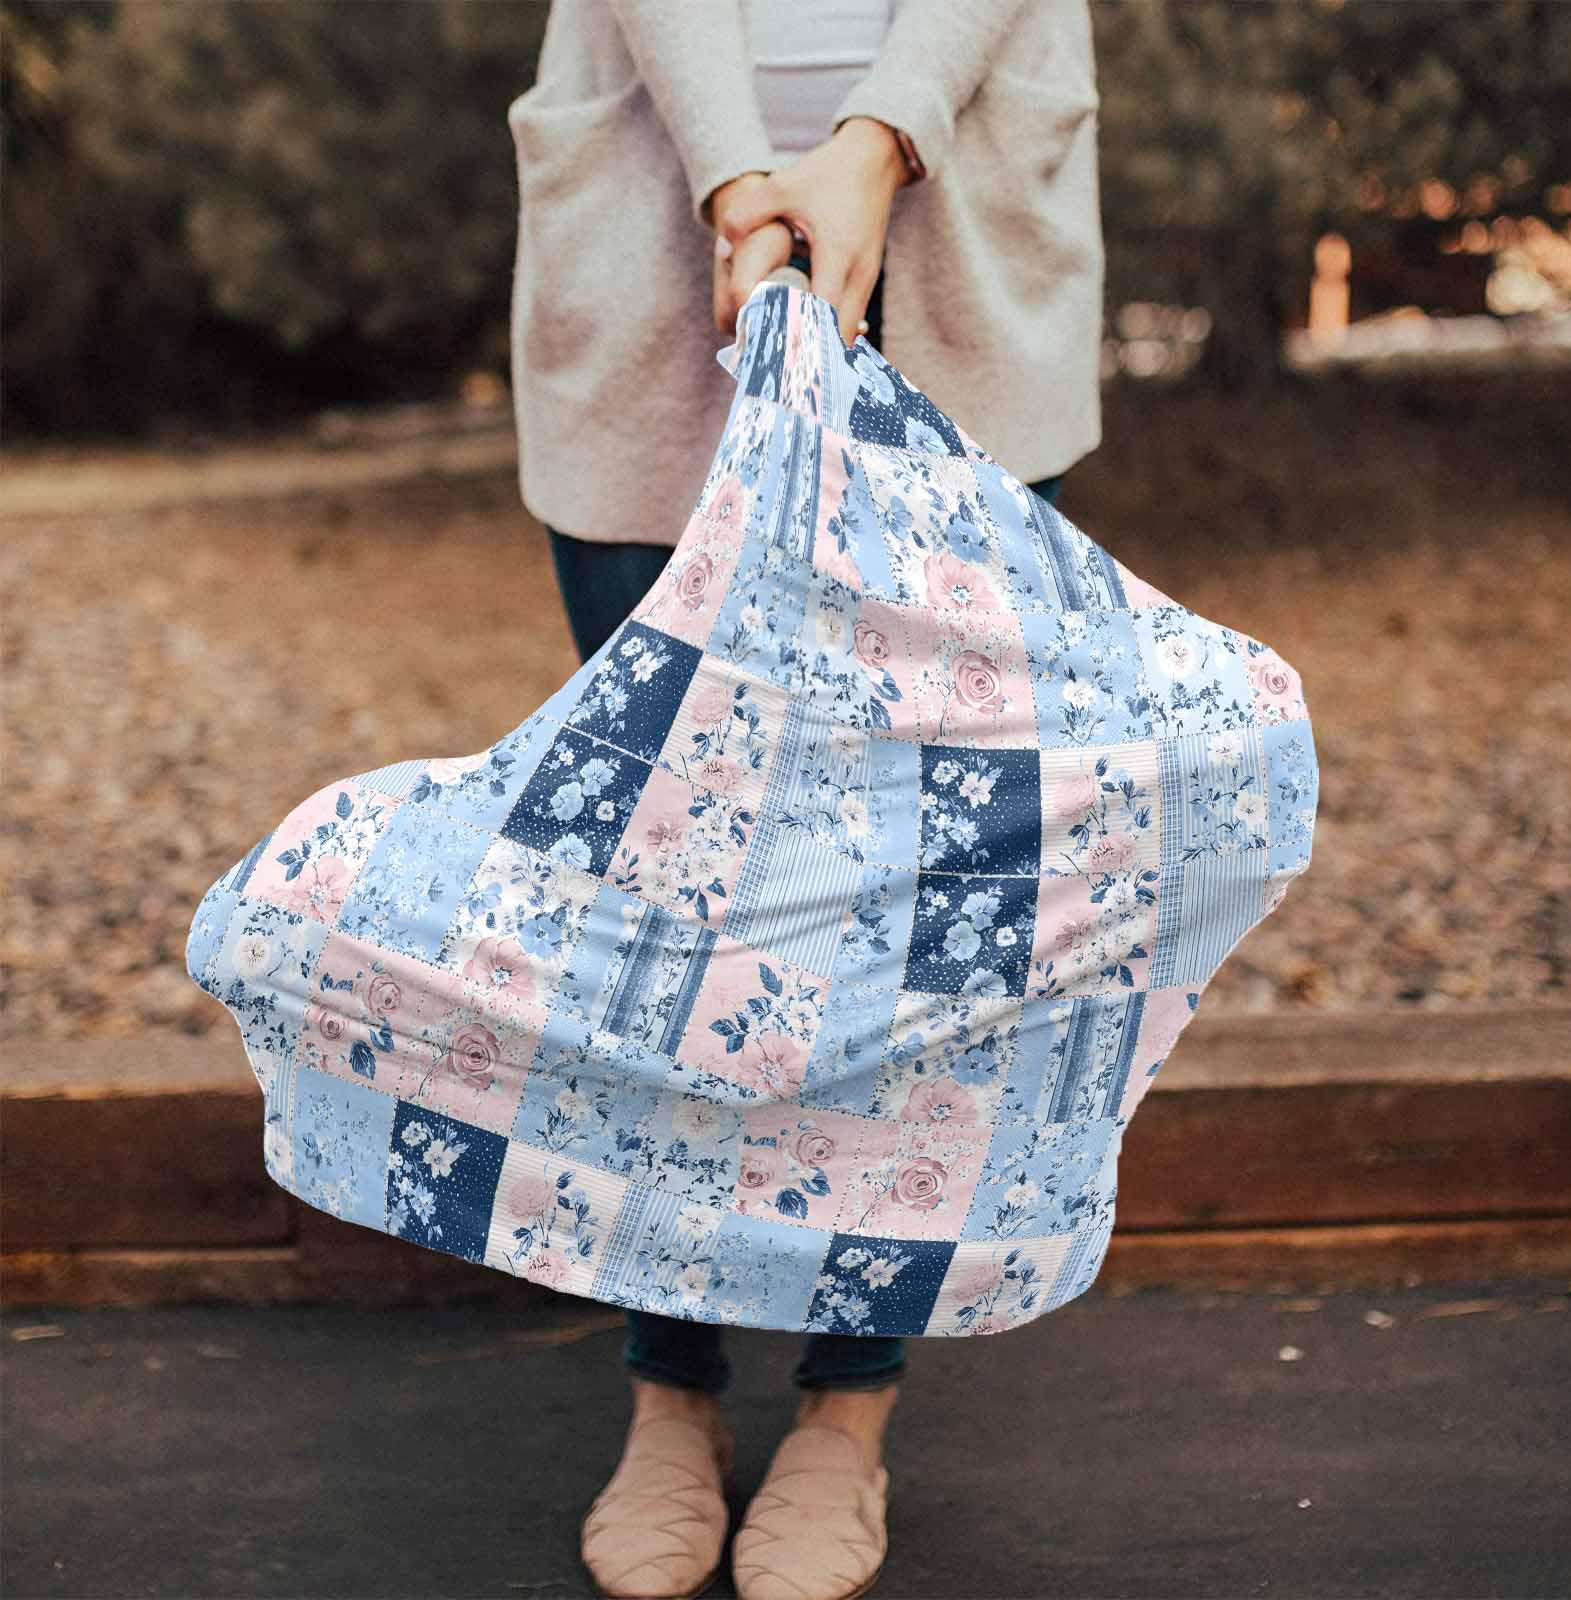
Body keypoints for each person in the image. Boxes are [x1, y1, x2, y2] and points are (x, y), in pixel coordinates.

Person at [505, 4, 1103, 1596]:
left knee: (925, 894)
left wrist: (876, 138)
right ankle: (670, 1388)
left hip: (960, 223)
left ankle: (849, 1408)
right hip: (658, 223)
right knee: (660, 878)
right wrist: (735, 179)